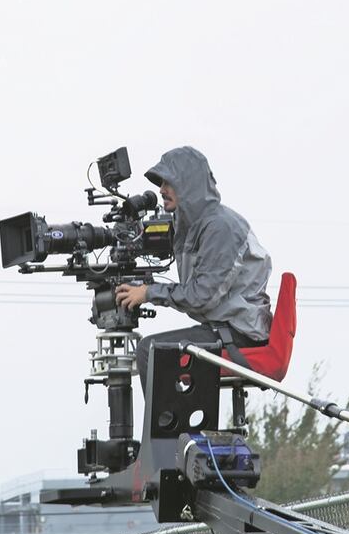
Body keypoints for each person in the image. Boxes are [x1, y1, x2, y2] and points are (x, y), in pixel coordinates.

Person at [115, 146, 272, 391]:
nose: (161, 190)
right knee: (157, 349)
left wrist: (148, 292)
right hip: (225, 325)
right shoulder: (194, 223)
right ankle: (174, 427)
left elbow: (201, 296)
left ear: (189, 184)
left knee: (151, 351)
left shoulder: (221, 227)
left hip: (240, 333)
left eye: (168, 182)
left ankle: (164, 429)